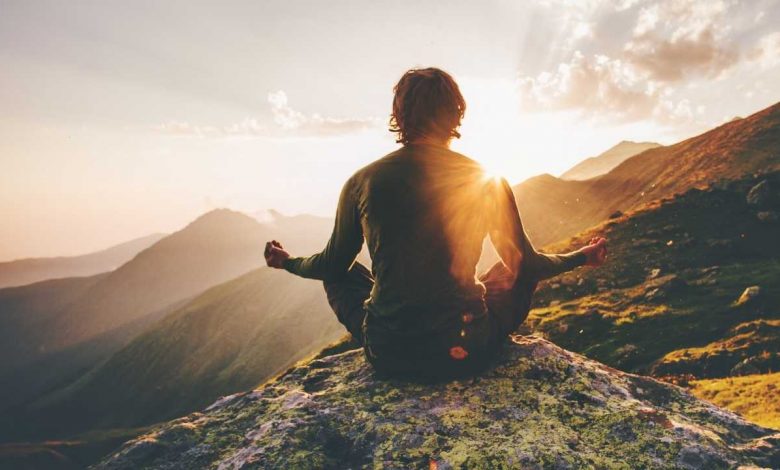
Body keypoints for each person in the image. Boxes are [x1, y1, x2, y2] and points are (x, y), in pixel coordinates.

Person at [265, 67, 607, 380]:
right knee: (511, 270)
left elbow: (329, 265)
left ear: (399, 115)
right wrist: (582, 256)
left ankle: (395, 326)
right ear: (457, 113)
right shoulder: (486, 179)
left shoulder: (362, 181)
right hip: (466, 352)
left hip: (389, 354)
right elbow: (528, 265)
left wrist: (287, 262)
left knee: (343, 272)